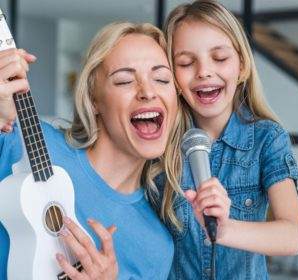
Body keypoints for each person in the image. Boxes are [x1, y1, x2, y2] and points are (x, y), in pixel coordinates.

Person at [0, 21, 183, 279]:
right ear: (94, 99)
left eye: (162, 79)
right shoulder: (23, 139)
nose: (148, 91)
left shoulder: (155, 248)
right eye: (124, 81)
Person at [159, 0, 298, 279]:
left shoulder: (267, 138)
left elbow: (292, 236)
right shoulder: (160, 145)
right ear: (173, 76)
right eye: (186, 62)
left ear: (242, 67)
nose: (204, 71)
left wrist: (226, 230)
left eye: (220, 58)